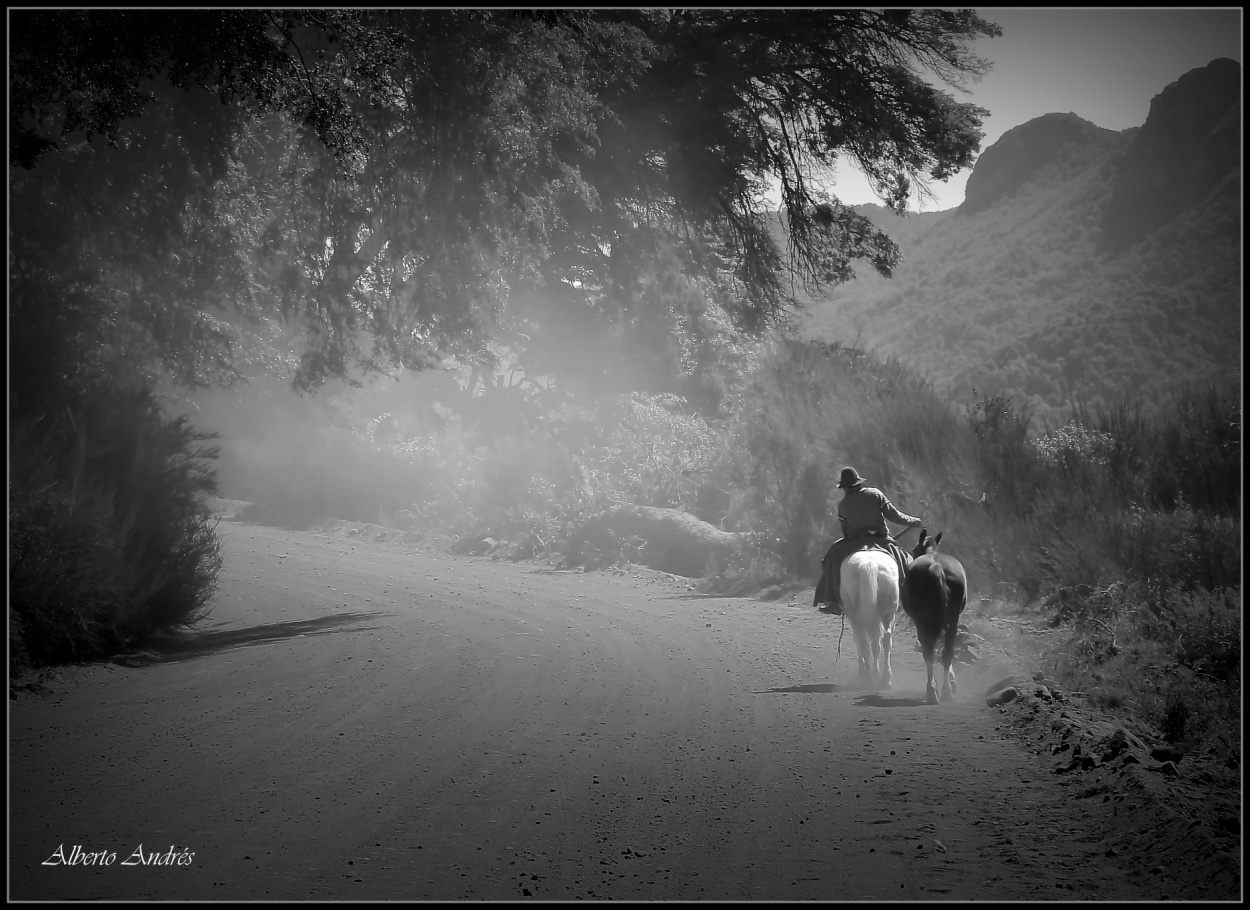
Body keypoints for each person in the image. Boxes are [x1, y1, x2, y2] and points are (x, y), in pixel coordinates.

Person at [815, 466, 921, 614]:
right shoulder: (875, 494)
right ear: (859, 482)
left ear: (844, 487)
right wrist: (914, 521)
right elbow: (894, 515)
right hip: (881, 539)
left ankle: (833, 600)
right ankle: (910, 596)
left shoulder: (842, 505)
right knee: (907, 561)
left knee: (830, 558)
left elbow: (845, 532)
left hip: (853, 541)